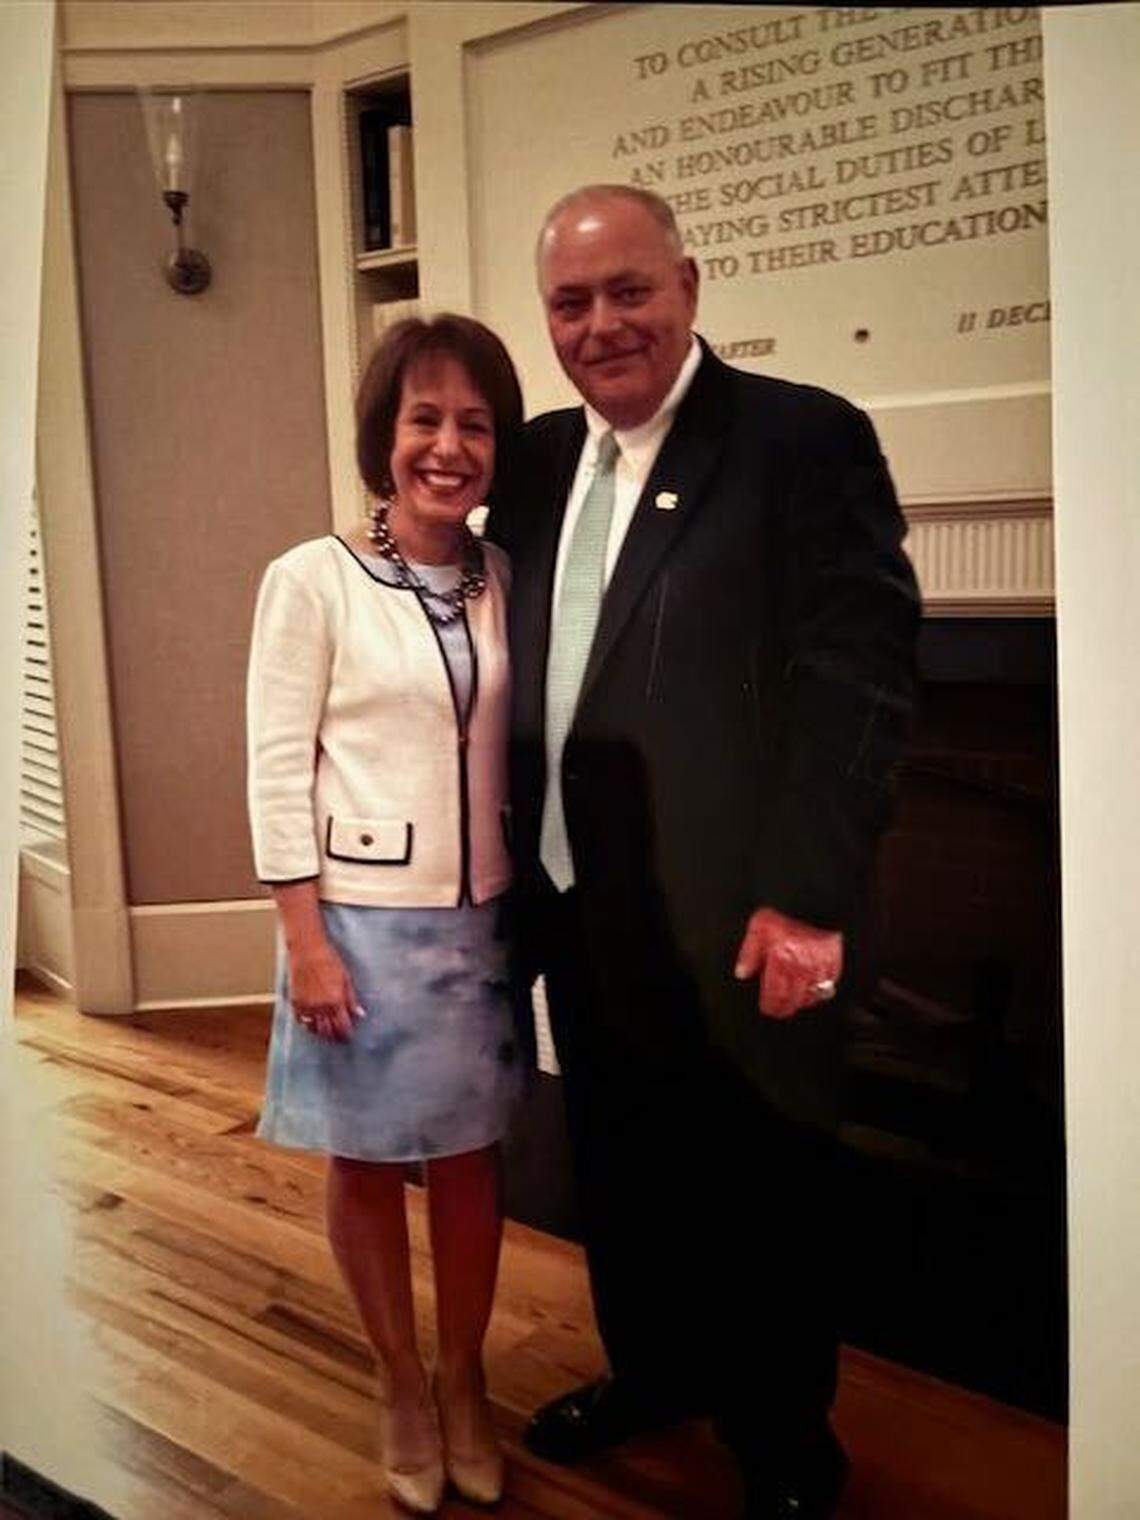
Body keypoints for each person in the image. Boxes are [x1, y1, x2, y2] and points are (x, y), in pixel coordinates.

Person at [486, 185, 921, 1520]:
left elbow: (858, 682)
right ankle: (655, 1371)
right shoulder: (537, 460)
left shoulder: (802, 439)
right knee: (619, 1163)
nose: (601, 324)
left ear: (688, 284)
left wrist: (806, 898)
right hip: (578, 903)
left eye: (629, 290)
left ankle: (784, 1443)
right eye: (571, 302)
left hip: (737, 916)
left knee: (762, 1190)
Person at [246, 314, 525, 1515]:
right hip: (356, 919)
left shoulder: (503, 575)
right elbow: (274, 766)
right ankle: (400, 1381)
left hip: (481, 921)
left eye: (474, 423)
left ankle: (465, 1377)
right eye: (424, 419)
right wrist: (304, 940)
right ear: (385, 435)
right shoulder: (310, 579)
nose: (448, 446)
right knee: (364, 1158)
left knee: (468, 1160)